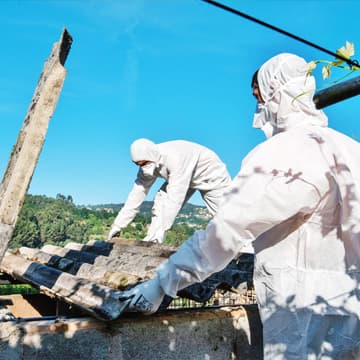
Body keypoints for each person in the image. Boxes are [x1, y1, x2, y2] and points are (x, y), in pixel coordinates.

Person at [119, 53, 360, 359]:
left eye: (260, 99)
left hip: (302, 319)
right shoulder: (351, 150)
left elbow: (226, 231)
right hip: (350, 311)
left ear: (276, 95)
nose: (258, 111)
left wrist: (160, 284)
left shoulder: (283, 153)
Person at [108, 139, 231, 243]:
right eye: (138, 164)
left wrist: (164, 228)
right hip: (181, 175)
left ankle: (245, 252)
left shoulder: (174, 158)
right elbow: (136, 194)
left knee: (225, 215)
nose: (142, 167)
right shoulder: (147, 164)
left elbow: (175, 197)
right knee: (161, 201)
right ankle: (153, 240)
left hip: (209, 174)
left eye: (144, 163)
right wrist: (118, 224)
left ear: (151, 156)